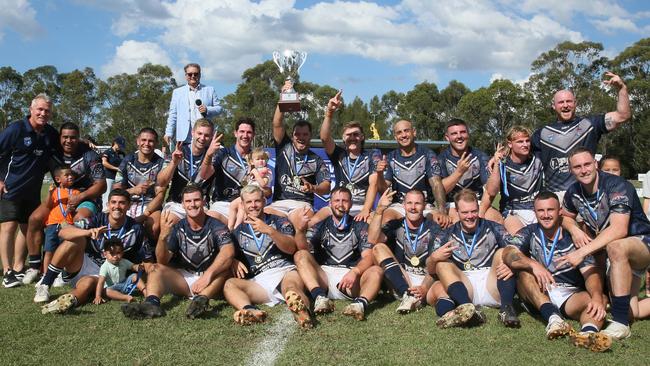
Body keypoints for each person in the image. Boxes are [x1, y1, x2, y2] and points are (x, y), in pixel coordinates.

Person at [555, 147, 650, 340]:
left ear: (596, 165)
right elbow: (564, 217)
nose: (583, 170)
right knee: (632, 310)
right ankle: (625, 315)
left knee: (616, 246)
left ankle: (621, 324)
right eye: (577, 166)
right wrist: (574, 229)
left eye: (587, 164)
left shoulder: (617, 185)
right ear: (571, 170)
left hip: (640, 243)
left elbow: (619, 230)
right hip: (616, 256)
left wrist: (581, 253)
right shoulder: (574, 191)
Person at [503, 192, 611, 352]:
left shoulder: (575, 237)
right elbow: (508, 253)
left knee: (599, 299)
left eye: (550, 210)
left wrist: (595, 295)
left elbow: (591, 273)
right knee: (524, 273)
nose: (545, 215)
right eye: (541, 211)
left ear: (559, 211)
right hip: (538, 291)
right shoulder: (529, 232)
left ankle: (587, 334)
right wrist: (533, 264)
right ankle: (553, 319)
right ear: (535, 212)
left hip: (569, 293)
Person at [121, 185, 235, 319]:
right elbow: (163, 261)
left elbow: (228, 252)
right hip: (185, 278)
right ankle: (152, 304)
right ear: (183, 205)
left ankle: (201, 301)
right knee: (156, 268)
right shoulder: (177, 227)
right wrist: (162, 237)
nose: (192, 204)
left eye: (196, 200)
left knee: (225, 268)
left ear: (204, 201)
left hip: (211, 280)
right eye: (188, 201)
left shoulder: (216, 225)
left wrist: (207, 276)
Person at [38, 189, 152, 311]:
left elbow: (148, 259)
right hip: (85, 264)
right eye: (113, 202)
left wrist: (145, 275)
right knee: (75, 239)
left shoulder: (136, 229)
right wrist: (87, 232)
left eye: (122, 203)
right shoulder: (96, 219)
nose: (117, 206)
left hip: (110, 274)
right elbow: (63, 232)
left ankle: (67, 302)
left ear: (128, 206)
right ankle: (45, 283)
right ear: (108, 205)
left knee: (87, 284)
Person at [23, 122, 107, 284]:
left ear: (79, 138)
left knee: (77, 222)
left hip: (86, 199)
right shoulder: (53, 153)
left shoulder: (90, 155)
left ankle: (65, 268)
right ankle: (34, 266)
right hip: (59, 199)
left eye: (73, 137)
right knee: (34, 219)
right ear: (59, 138)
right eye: (65, 137)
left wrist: (80, 197)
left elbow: (101, 185)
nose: (69, 141)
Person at [223, 185, 313, 328]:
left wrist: (270, 231)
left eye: (257, 201)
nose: (253, 205)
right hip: (259, 280)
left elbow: (291, 248)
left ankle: (304, 314)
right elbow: (224, 253)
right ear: (242, 205)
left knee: (291, 289)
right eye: (249, 202)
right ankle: (251, 311)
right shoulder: (237, 232)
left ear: (264, 201)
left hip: (285, 271)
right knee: (230, 285)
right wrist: (233, 260)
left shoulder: (280, 221)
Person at [427, 189, 519, 328]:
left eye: (474, 211)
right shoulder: (446, 234)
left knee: (503, 252)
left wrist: (512, 265)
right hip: (465, 287)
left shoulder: (493, 227)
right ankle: (469, 310)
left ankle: (506, 308)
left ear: (478, 209)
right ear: (457, 212)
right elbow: (430, 269)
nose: (470, 216)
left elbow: (513, 249)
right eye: (465, 212)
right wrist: (434, 258)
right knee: (441, 264)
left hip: (492, 284)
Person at [532, 72, 630, 198]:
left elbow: (623, 115)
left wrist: (621, 88)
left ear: (575, 103)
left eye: (569, 101)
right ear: (553, 106)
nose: (566, 105)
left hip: (586, 194)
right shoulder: (541, 134)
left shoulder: (590, 124)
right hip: (556, 198)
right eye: (561, 102)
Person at [293, 187, 384, 320]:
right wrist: (300, 231)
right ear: (330, 204)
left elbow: (368, 256)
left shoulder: (360, 225)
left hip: (350, 280)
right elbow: (304, 248)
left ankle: (359, 305)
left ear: (351, 204)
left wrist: (355, 272)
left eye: (345, 201)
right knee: (300, 255)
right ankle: (319, 297)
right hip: (324, 277)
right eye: (336, 200)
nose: (340, 204)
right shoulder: (321, 224)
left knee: (376, 270)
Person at [0, 93, 59, 288]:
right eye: (40, 109)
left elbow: (63, 148)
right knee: (8, 227)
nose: (43, 113)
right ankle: (7, 271)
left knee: (28, 229)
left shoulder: (50, 133)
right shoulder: (15, 130)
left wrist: (84, 143)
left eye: (47, 110)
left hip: (32, 191)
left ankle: (18, 268)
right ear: (31, 110)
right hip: (10, 188)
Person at [367, 188, 444, 314]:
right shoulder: (395, 225)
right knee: (378, 248)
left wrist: (424, 287)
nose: (413, 207)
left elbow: (436, 264)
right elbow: (372, 238)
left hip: (426, 281)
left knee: (439, 262)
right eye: (409, 203)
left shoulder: (434, 228)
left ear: (424, 206)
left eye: (417, 203)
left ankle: (415, 297)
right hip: (403, 279)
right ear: (403, 205)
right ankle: (406, 294)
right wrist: (380, 211)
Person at [314, 90, 383, 223]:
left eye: (356, 134)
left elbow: (373, 184)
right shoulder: (338, 154)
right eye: (348, 135)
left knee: (375, 227)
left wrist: (366, 210)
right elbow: (324, 137)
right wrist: (329, 112)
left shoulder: (372, 155)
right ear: (343, 138)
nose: (352, 138)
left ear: (362, 137)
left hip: (361, 206)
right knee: (312, 222)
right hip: (337, 204)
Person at [269, 82, 330, 225]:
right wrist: (282, 99)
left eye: (305, 134)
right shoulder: (284, 147)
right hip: (279, 203)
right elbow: (277, 123)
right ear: (292, 135)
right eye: (297, 134)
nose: (301, 137)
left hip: (302, 204)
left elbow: (326, 186)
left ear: (310, 136)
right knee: (263, 219)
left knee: (302, 223)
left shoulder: (316, 160)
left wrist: (313, 188)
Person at [378, 119, 450, 228]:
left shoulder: (428, 154)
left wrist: (442, 211)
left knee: (442, 223)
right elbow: (384, 190)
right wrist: (379, 174)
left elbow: (436, 184)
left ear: (414, 132)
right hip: (400, 205)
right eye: (399, 132)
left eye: (406, 131)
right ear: (395, 137)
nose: (403, 135)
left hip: (424, 205)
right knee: (383, 222)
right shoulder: (390, 158)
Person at [201, 118, 269, 223]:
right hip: (222, 204)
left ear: (253, 135)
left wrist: (263, 190)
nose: (245, 135)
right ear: (235, 133)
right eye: (242, 131)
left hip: (249, 205)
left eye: (249, 132)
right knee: (209, 219)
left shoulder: (258, 158)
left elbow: (267, 189)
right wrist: (209, 155)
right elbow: (204, 175)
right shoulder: (223, 153)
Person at [482, 126, 544, 234]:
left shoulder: (538, 158)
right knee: (520, 239)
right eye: (520, 142)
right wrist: (496, 163)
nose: (525, 145)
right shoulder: (502, 164)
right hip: (512, 212)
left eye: (527, 141)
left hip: (537, 209)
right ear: (510, 144)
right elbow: (491, 192)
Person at [438, 118, 501, 223]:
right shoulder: (441, 158)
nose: (459, 136)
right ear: (447, 138)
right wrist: (459, 172)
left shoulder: (480, 156)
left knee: (496, 218)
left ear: (468, 134)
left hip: (478, 203)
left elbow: (491, 191)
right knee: (452, 221)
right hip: (452, 205)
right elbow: (440, 190)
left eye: (463, 132)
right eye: (454, 133)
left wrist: (481, 211)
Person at [158, 118, 215, 221]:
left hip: (200, 204)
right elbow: (161, 182)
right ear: (193, 133)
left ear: (211, 137)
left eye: (206, 135)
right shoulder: (179, 150)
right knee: (167, 223)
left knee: (207, 225)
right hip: (177, 203)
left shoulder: (212, 155)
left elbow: (205, 176)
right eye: (199, 133)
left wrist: (209, 156)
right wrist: (174, 163)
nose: (202, 138)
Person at [113, 128, 165, 240]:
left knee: (154, 227)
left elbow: (160, 195)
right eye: (144, 140)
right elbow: (115, 191)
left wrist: (145, 214)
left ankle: (149, 254)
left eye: (151, 141)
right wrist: (132, 191)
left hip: (150, 204)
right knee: (112, 220)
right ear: (138, 141)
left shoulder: (161, 164)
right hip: (128, 202)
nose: (147, 144)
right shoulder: (127, 160)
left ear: (156, 143)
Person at [164, 63, 221, 146]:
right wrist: (168, 132)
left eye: (196, 74)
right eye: (190, 74)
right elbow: (173, 114)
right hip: (184, 139)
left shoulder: (210, 90)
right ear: (186, 75)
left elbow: (219, 108)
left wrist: (207, 110)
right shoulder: (177, 92)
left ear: (200, 75)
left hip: (204, 138)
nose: (193, 76)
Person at [40, 165, 80, 278]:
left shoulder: (76, 192)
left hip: (67, 225)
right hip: (52, 224)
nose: (70, 177)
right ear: (58, 179)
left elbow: (75, 208)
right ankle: (45, 274)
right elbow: (48, 205)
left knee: (64, 250)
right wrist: (49, 193)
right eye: (67, 175)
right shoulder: (55, 191)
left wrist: (71, 208)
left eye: (72, 175)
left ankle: (60, 274)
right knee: (49, 250)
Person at [227, 147, 273, 230]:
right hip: (248, 195)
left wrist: (256, 173)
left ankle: (237, 227)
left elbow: (263, 184)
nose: (261, 161)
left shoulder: (266, 171)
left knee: (242, 208)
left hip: (259, 196)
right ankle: (230, 227)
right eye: (258, 159)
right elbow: (245, 183)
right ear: (252, 162)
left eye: (263, 159)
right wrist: (250, 170)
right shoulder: (252, 170)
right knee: (233, 204)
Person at [93, 237, 147, 305]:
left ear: (122, 253)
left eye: (118, 253)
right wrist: (98, 296)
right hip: (112, 288)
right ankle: (125, 297)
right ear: (105, 254)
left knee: (134, 276)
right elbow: (100, 282)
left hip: (124, 285)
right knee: (105, 291)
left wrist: (138, 267)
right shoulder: (105, 267)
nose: (115, 256)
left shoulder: (123, 261)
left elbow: (133, 267)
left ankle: (146, 293)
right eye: (112, 253)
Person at [101, 136, 126, 211]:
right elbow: (104, 163)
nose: (120, 147)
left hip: (119, 178)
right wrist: (116, 168)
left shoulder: (122, 154)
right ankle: (105, 210)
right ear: (115, 143)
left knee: (116, 195)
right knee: (107, 194)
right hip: (109, 176)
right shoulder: (108, 152)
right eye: (119, 145)